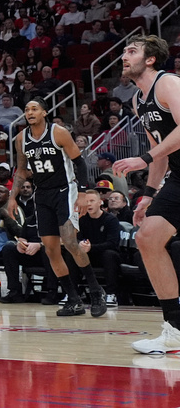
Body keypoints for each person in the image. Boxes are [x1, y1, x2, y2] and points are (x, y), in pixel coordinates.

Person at [111, 36, 180, 353]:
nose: (124, 56)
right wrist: (149, 196)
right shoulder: (140, 100)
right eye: (124, 51)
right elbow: (161, 153)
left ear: (150, 59)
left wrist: (145, 159)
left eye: (132, 51)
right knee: (147, 237)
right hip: (178, 176)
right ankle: (175, 330)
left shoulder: (168, 84)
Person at [8, 97, 105, 317]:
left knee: (70, 241)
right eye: (26, 109)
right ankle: (73, 299)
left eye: (34, 109)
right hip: (41, 194)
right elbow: (22, 170)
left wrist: (81, 193)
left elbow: (80, 162)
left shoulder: (58, 132)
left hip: (65, 190)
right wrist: (13, 196)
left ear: (44, 112)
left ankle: (96, 291)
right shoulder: (21, 138)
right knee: (51, 249)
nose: (29, 112)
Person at [77, 188, 122, 307]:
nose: (88, 204)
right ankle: (74, 294)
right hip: (88, 254)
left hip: (106, 254)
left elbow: (112, 243)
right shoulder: (81, 220)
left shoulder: (111, 219)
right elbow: (77, 238)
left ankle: (111, 294)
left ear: (100, 202)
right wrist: (80, 244)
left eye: (92, 201)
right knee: (73, 254)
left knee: (109, 254)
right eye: (86, 201)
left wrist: (91, 247)